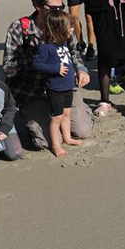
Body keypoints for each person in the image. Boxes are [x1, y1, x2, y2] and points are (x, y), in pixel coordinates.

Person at [2, 0, 93, 149]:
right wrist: (39, 58)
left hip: (62, 88)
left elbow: (74, 53)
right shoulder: (20, 28)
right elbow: (8, 68)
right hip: (31, 92)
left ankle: (81, 110)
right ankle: (28, 121)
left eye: (61, 7)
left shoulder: (63, 24)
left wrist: (81, 69)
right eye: (53, 8)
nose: (58, 12)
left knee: (82, 131)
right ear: (38, 6)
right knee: (49, 141)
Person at [32, 10, 83, 157]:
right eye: (69, 27)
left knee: (67, 113)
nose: (72, 30)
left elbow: (68, 59)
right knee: (56, 118)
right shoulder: (45, 48)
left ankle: (67, 138)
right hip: (55, 88)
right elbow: (37, 64)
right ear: (57, 30)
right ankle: (55, 145)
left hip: (68, 86)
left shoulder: (64, 43)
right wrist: (55, 68)